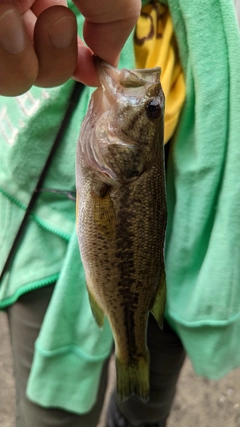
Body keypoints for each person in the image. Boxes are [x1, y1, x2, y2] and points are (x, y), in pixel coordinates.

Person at [1, 1, 240, 427]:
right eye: (151, 108)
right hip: (48, 226)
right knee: (52, 414)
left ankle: (133, 368)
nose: (145, 92)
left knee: (145, 410)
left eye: (149, 109)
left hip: (189, 220)